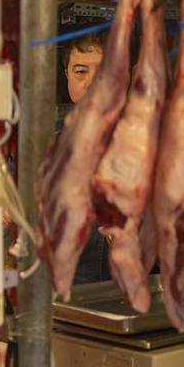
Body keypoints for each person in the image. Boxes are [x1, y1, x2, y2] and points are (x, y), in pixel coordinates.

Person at [60, 31, 111, 285]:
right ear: (67, 76)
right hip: (63, 302)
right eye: (80, 71)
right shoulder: (42, 147)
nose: (91, 82)